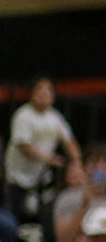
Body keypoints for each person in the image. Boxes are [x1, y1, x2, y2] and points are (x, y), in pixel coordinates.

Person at [5, 78, 80, 226]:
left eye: (49, 90)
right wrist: (47, 159)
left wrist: (77, 162)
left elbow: (69, 141)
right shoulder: (23, 115)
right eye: (40, 89)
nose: (45, 93)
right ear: (32, 93)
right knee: (15, 219)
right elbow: (24, 146)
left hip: (40, 180)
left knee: (38, 219)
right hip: (18, 180)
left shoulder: (55, 117)